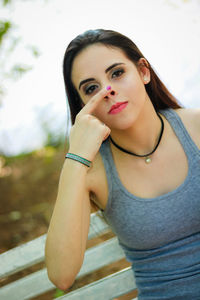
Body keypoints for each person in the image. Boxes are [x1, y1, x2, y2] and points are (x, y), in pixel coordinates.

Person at [45, 29, 200, 299]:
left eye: (117, 73)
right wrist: (76, 156)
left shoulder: (196, 127)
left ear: (143, 72)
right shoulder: (92, 171)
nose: (108, 91)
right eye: (91, 88)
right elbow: (61, 274)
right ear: (82, 104)